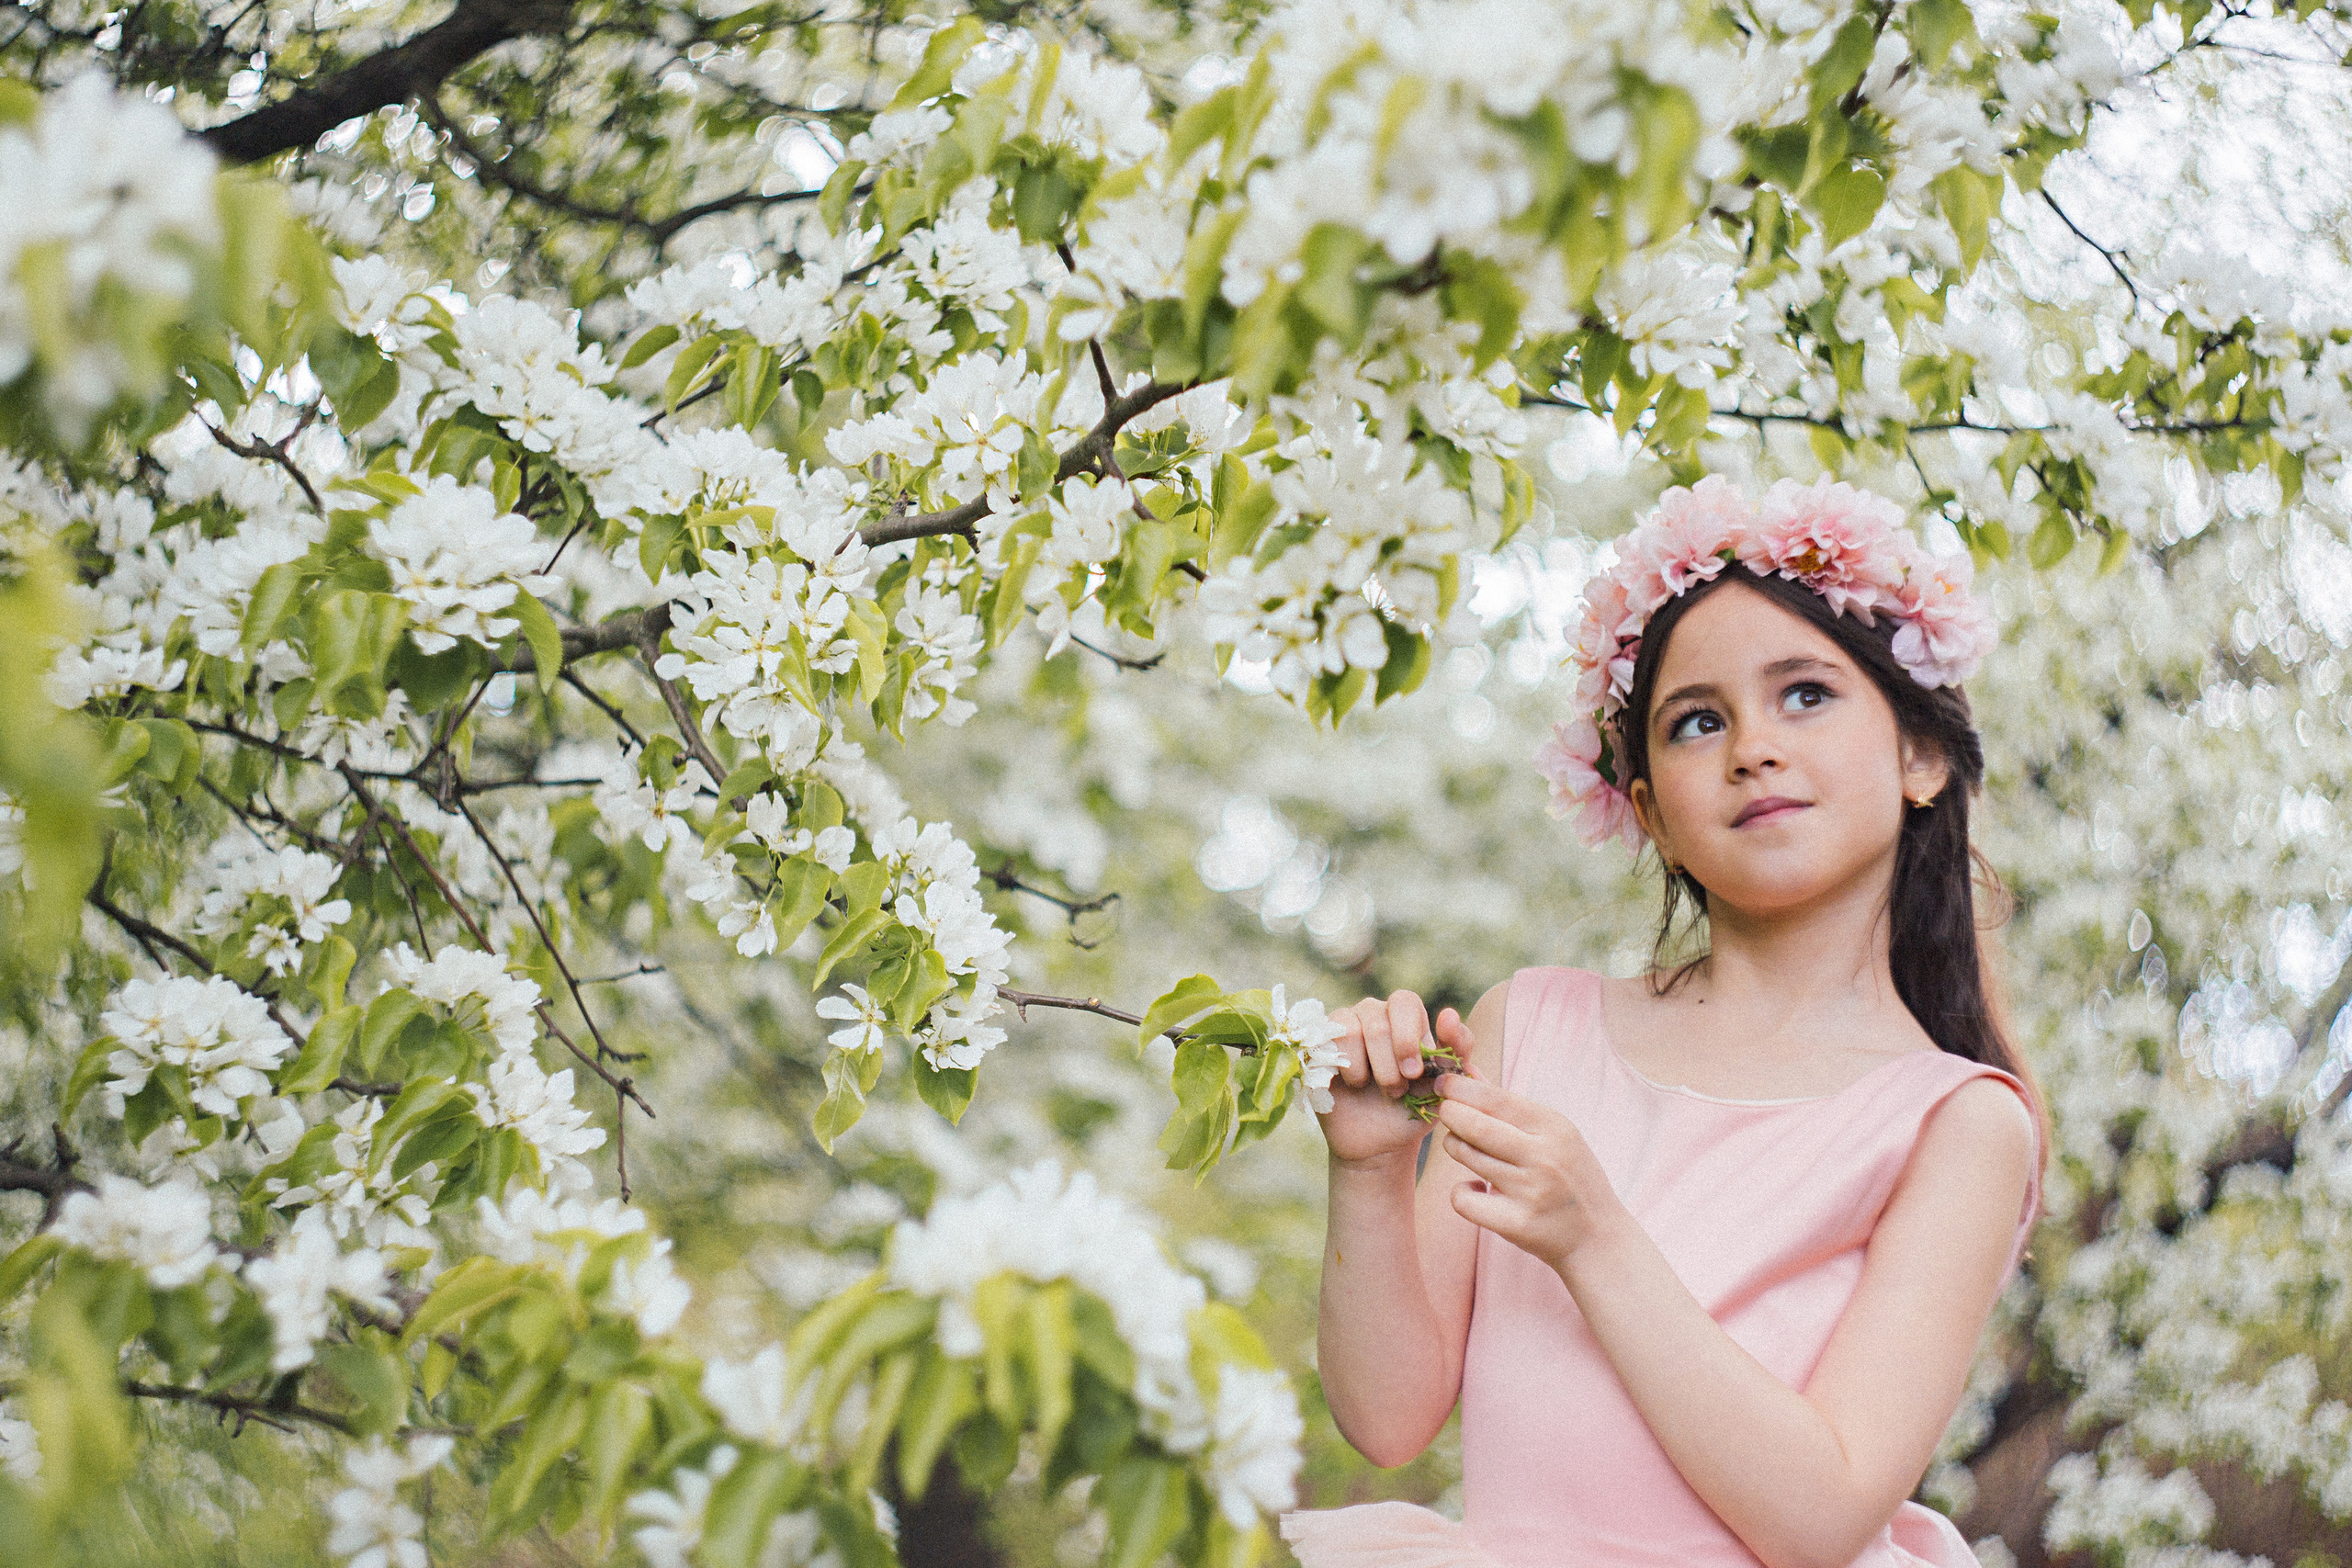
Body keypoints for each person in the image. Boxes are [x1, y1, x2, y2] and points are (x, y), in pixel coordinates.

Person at [1286, 476, 2046, 1568]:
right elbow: (1389, 1419)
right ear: (1649, 814)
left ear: (1919, 753)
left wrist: (1592, 1237)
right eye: (1696, 722)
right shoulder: (1530, 1031)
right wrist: (1365, 1173)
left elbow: (1822, 1514)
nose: (1751, 748)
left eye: (1806, 695)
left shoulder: (1957, 1124)